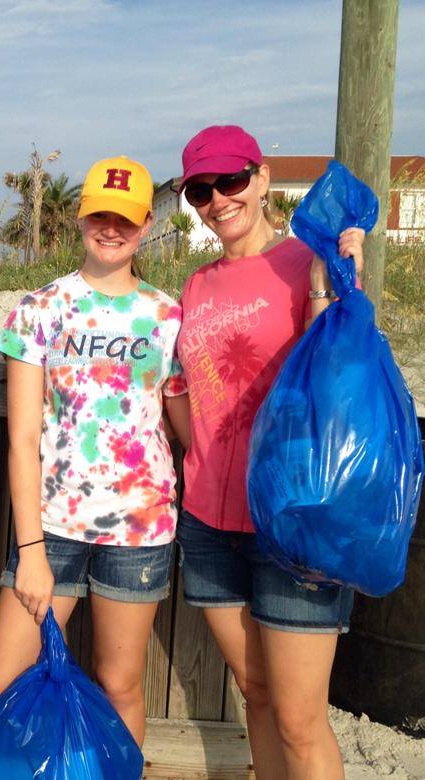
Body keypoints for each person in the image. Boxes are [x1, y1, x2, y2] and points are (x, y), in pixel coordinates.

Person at [0, 157, 190, 777]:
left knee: (121, 686)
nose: (111, 229)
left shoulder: (169, 317)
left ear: (145, 226)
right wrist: (29, 547)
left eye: (126, 219)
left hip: (140, 533)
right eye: (100, 216)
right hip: (51, 531)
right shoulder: (39, 309)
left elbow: (183, 423)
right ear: (81, 218)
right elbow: (23, 433)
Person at [174, 125, 366, 780]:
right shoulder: (196, 285)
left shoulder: (305, 262)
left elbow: (334, 371)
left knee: (300, 720)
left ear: (260, 178)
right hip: (206, 522)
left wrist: (323, 278)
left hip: (291, 522)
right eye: (202, 190)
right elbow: (186, 393)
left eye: (230, 181)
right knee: (255, 694)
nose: (217, 200)